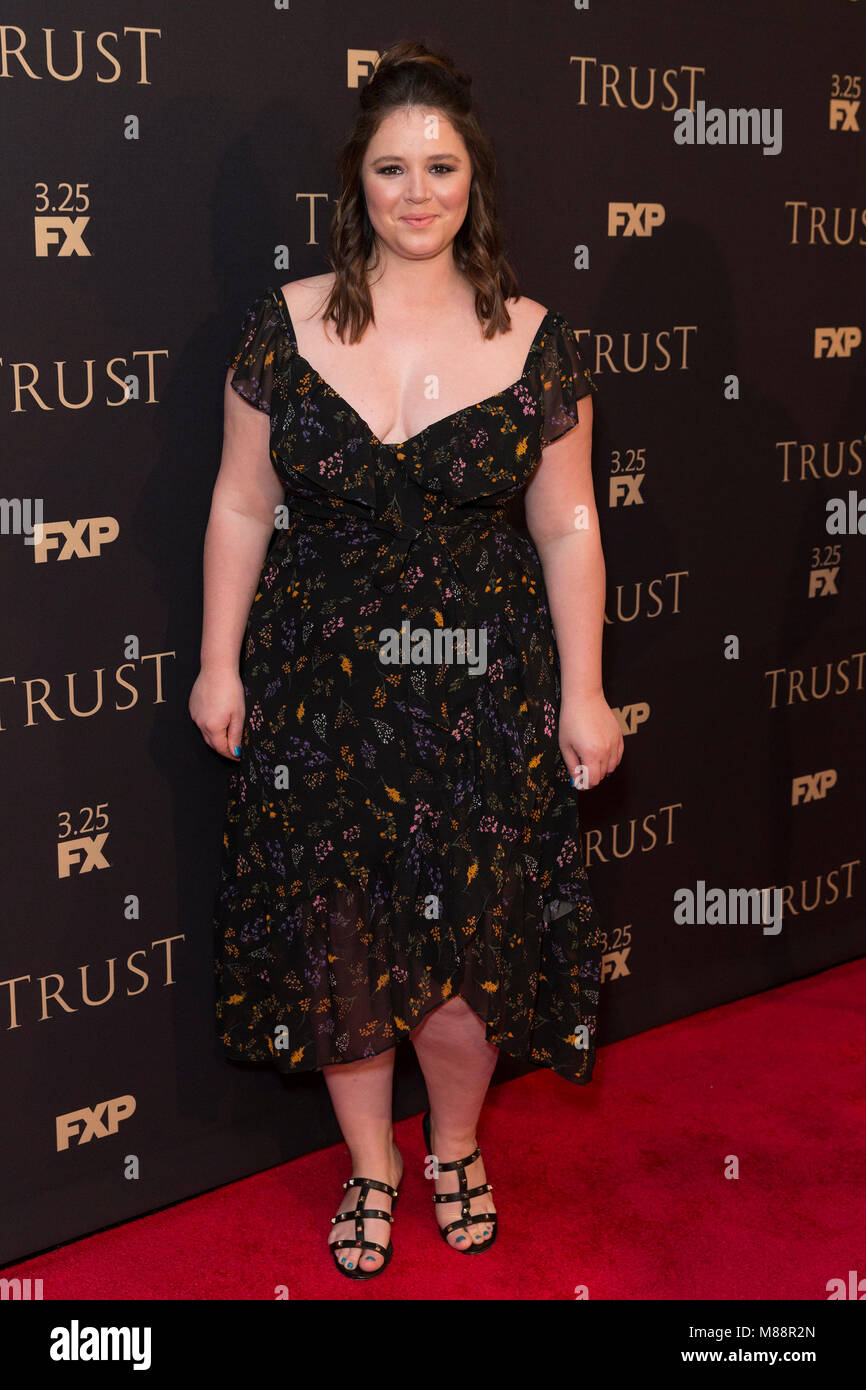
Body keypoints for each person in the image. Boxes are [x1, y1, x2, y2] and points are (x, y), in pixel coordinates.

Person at [189, 38, 623, 1281]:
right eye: (392, 167)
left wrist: (584, 689)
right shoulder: (284, 325)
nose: (417, 190)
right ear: (358, 183)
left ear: (472, 181)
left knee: (469, 939)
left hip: (480, 695)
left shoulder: (535, 338)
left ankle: (457, 1144)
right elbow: (235, 502)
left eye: (440, 166)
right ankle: (372, 1166)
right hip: (321, 691)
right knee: (341, 934)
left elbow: (567, 523)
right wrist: (220, 663)